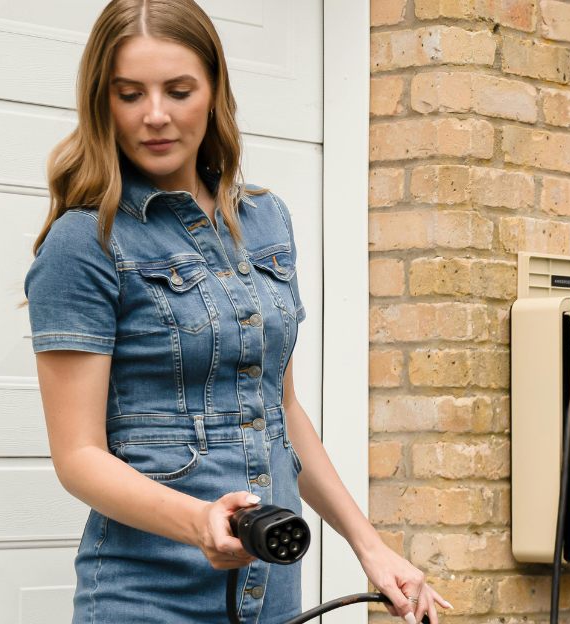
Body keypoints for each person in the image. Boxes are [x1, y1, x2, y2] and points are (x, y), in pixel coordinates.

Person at [24, 1, 450, 622]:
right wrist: (199, 520)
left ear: (214, 93)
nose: (155, 115)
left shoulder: (265, 220)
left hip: (272, 589)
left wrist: (370, 547)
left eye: (178, 91)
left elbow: (281, 412)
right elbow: (78, 458)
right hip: (147, 596)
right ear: (102, 103)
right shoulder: (85, 242)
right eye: (129, 94)